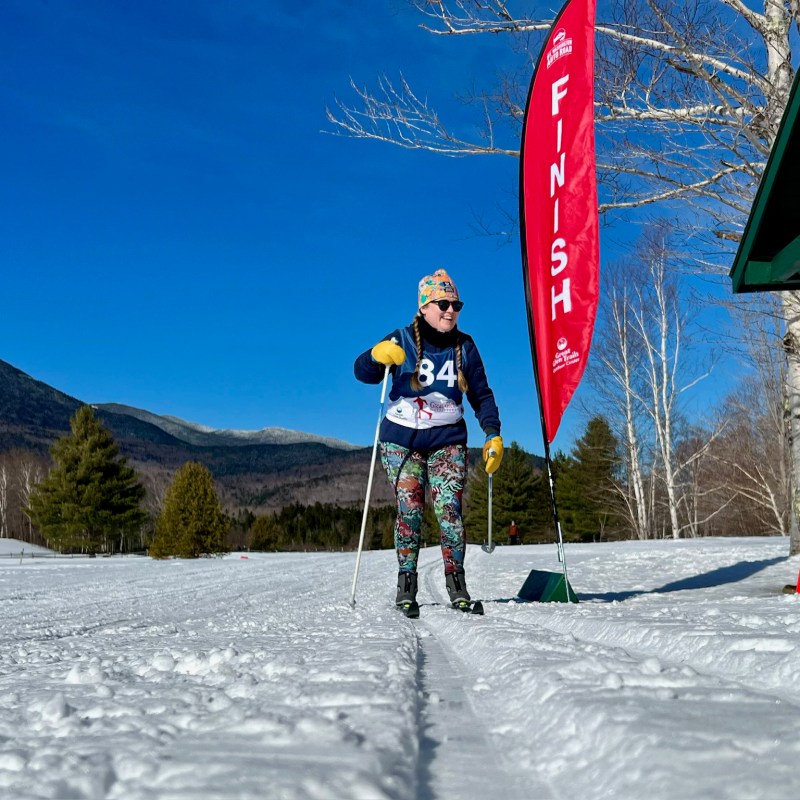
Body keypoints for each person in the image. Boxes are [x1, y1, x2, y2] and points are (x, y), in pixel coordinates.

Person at [354, 268, 503, 612]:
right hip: (401, 439)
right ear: (424, 307)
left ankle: (457, 585)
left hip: (447, 437)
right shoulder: (401, 340)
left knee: (449, 509)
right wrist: (376, 356)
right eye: (443, 304)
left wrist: (492, 433)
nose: (450, 310)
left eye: (456, 305)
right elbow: (362, 372)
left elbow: (481, 394)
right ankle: (406, 584)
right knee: (410, 509)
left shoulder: (465, 346)